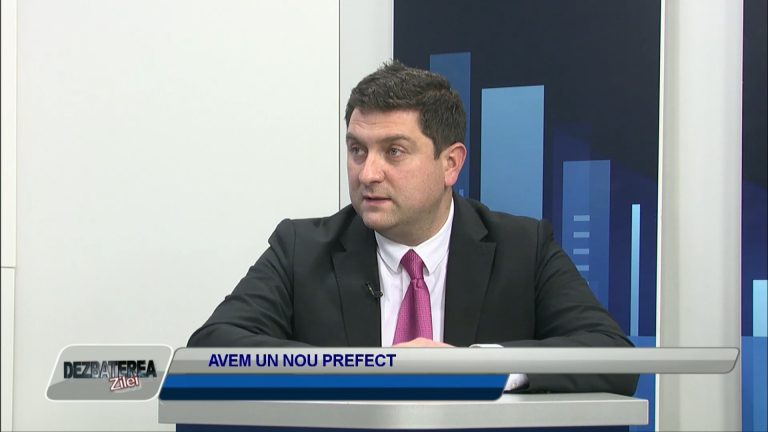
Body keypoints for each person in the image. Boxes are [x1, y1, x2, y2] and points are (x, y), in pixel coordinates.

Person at [188, 60, 638, 396]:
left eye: (394, 152)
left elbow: (611, 355)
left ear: (450, 163)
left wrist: (478, 367)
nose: (367, 174)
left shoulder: (524, 248)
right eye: (357, 150)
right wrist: (359, 368)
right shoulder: (301, 249)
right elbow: (211, 347)